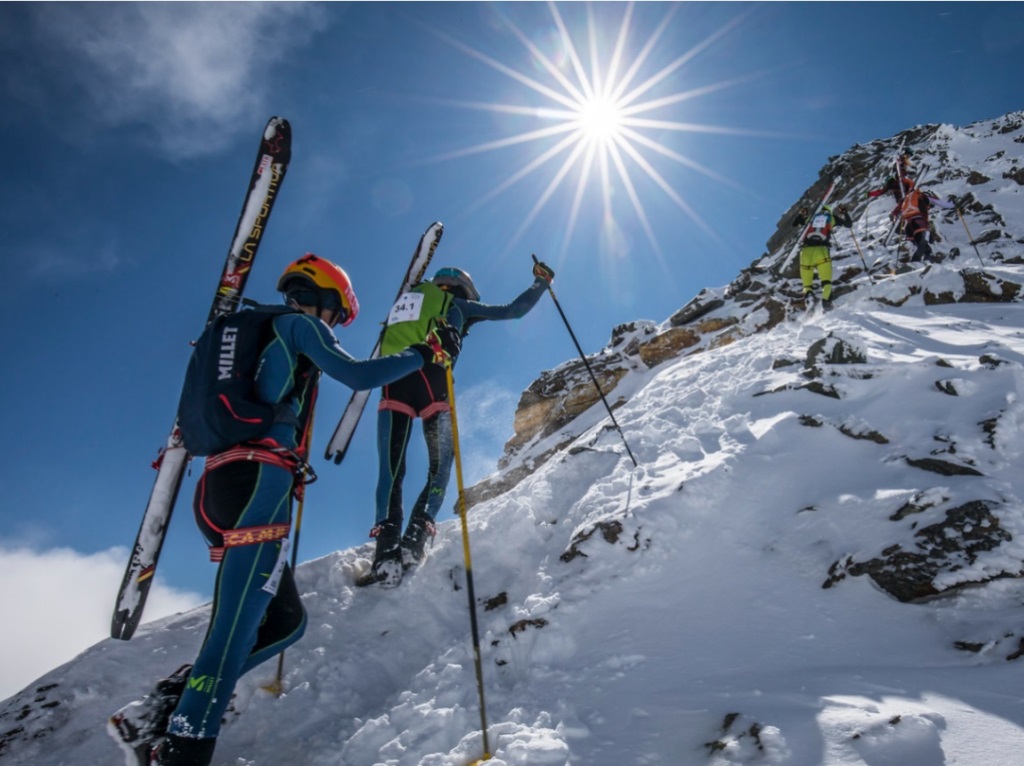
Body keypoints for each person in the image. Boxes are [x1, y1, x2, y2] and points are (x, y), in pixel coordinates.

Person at [110, 254, 459, 766]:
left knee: (285, 621)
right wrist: (423, 355)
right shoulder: (296, 324)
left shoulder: (244, 335)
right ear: (322, 296)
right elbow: (358, 375)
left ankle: (161, 709)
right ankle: (182, 749)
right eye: (338, 315)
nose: (336, 324)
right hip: (259, 482)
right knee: (230, 634)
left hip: (219, 488)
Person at [367, 260, 555, 587]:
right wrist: (541, 282)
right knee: (440, 466)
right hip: (433, 382)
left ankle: (385, 550)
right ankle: (415, 538)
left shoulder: (408, 300)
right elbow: (514, 310)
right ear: (463, 288)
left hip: (391, 378)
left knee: (391, 469)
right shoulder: (458, 304)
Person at [792, 203, 852, 310]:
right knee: (826, 282)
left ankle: (809, 298)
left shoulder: (811, 219)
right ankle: (827, 305)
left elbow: (795, 223)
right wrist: (845, 212)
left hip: (805, 252)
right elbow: (849, 224)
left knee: (807, 285)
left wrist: (801, 214)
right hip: (821, 251)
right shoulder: (832, 218)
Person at [899, 188, 956, 264]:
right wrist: (953, 203)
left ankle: (928, 264)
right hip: (919, 223)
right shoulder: (925, 197)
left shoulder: (909, 201)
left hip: (908, 227)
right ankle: (913, 264)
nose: (930, 207)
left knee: (928, 245)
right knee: (923, 244)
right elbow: (945, 205)